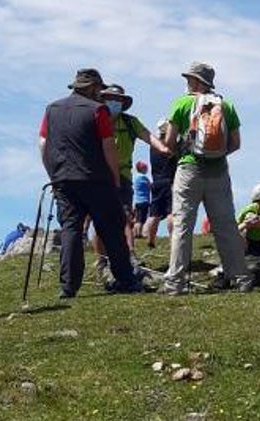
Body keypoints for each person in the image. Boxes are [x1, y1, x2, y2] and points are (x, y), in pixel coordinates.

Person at [39, 68, 143, 297]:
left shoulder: (52, 109)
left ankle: (68, 286)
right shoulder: (98, 110)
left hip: (63, 179)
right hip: (95, 179)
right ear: (94, 88)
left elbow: (43, 143)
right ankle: (125, 279)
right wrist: (115, 179)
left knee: (71, 230)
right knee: (112, 229)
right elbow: (108, 146)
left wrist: (53, 174)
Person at [160, 62, 251, 295]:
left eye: (190, 79)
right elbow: (236, 143)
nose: (187, 82)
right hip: (218, 171)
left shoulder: (181, 103)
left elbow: (169, 142)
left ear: (197, 82)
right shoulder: (226, 105)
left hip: (189, 169)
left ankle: (175, 282)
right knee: (226, 226)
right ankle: (241, 277)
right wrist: (218, 155)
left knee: (182, 226)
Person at [99, 84, 171, 254]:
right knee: (100, 218)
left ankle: (130, 255)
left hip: (123, 175)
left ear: (123, 103)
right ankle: (102, 260)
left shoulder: (130, 122)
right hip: (99, 175)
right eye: (110, 99)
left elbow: (147, 135)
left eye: (117, 99)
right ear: (103, 100)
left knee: (125, 217)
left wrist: (163, 148)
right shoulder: (96, 120)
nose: (114, 102)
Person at [143, 119, 177, 250]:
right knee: (171, 212)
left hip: (156, 182)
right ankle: (172, 240)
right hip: (170, 181)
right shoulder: (170, 146)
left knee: (154, 214)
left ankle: (150, 240)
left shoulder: (153, 146)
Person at [132, 160, 151, 236]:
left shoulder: (136, 178)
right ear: (142, 169)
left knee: (137, 218)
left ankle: (135, 232)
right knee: (142, 219)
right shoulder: (144, 178)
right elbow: (150, 186)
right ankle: (140, 233)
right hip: (144, 201)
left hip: (137, 201)